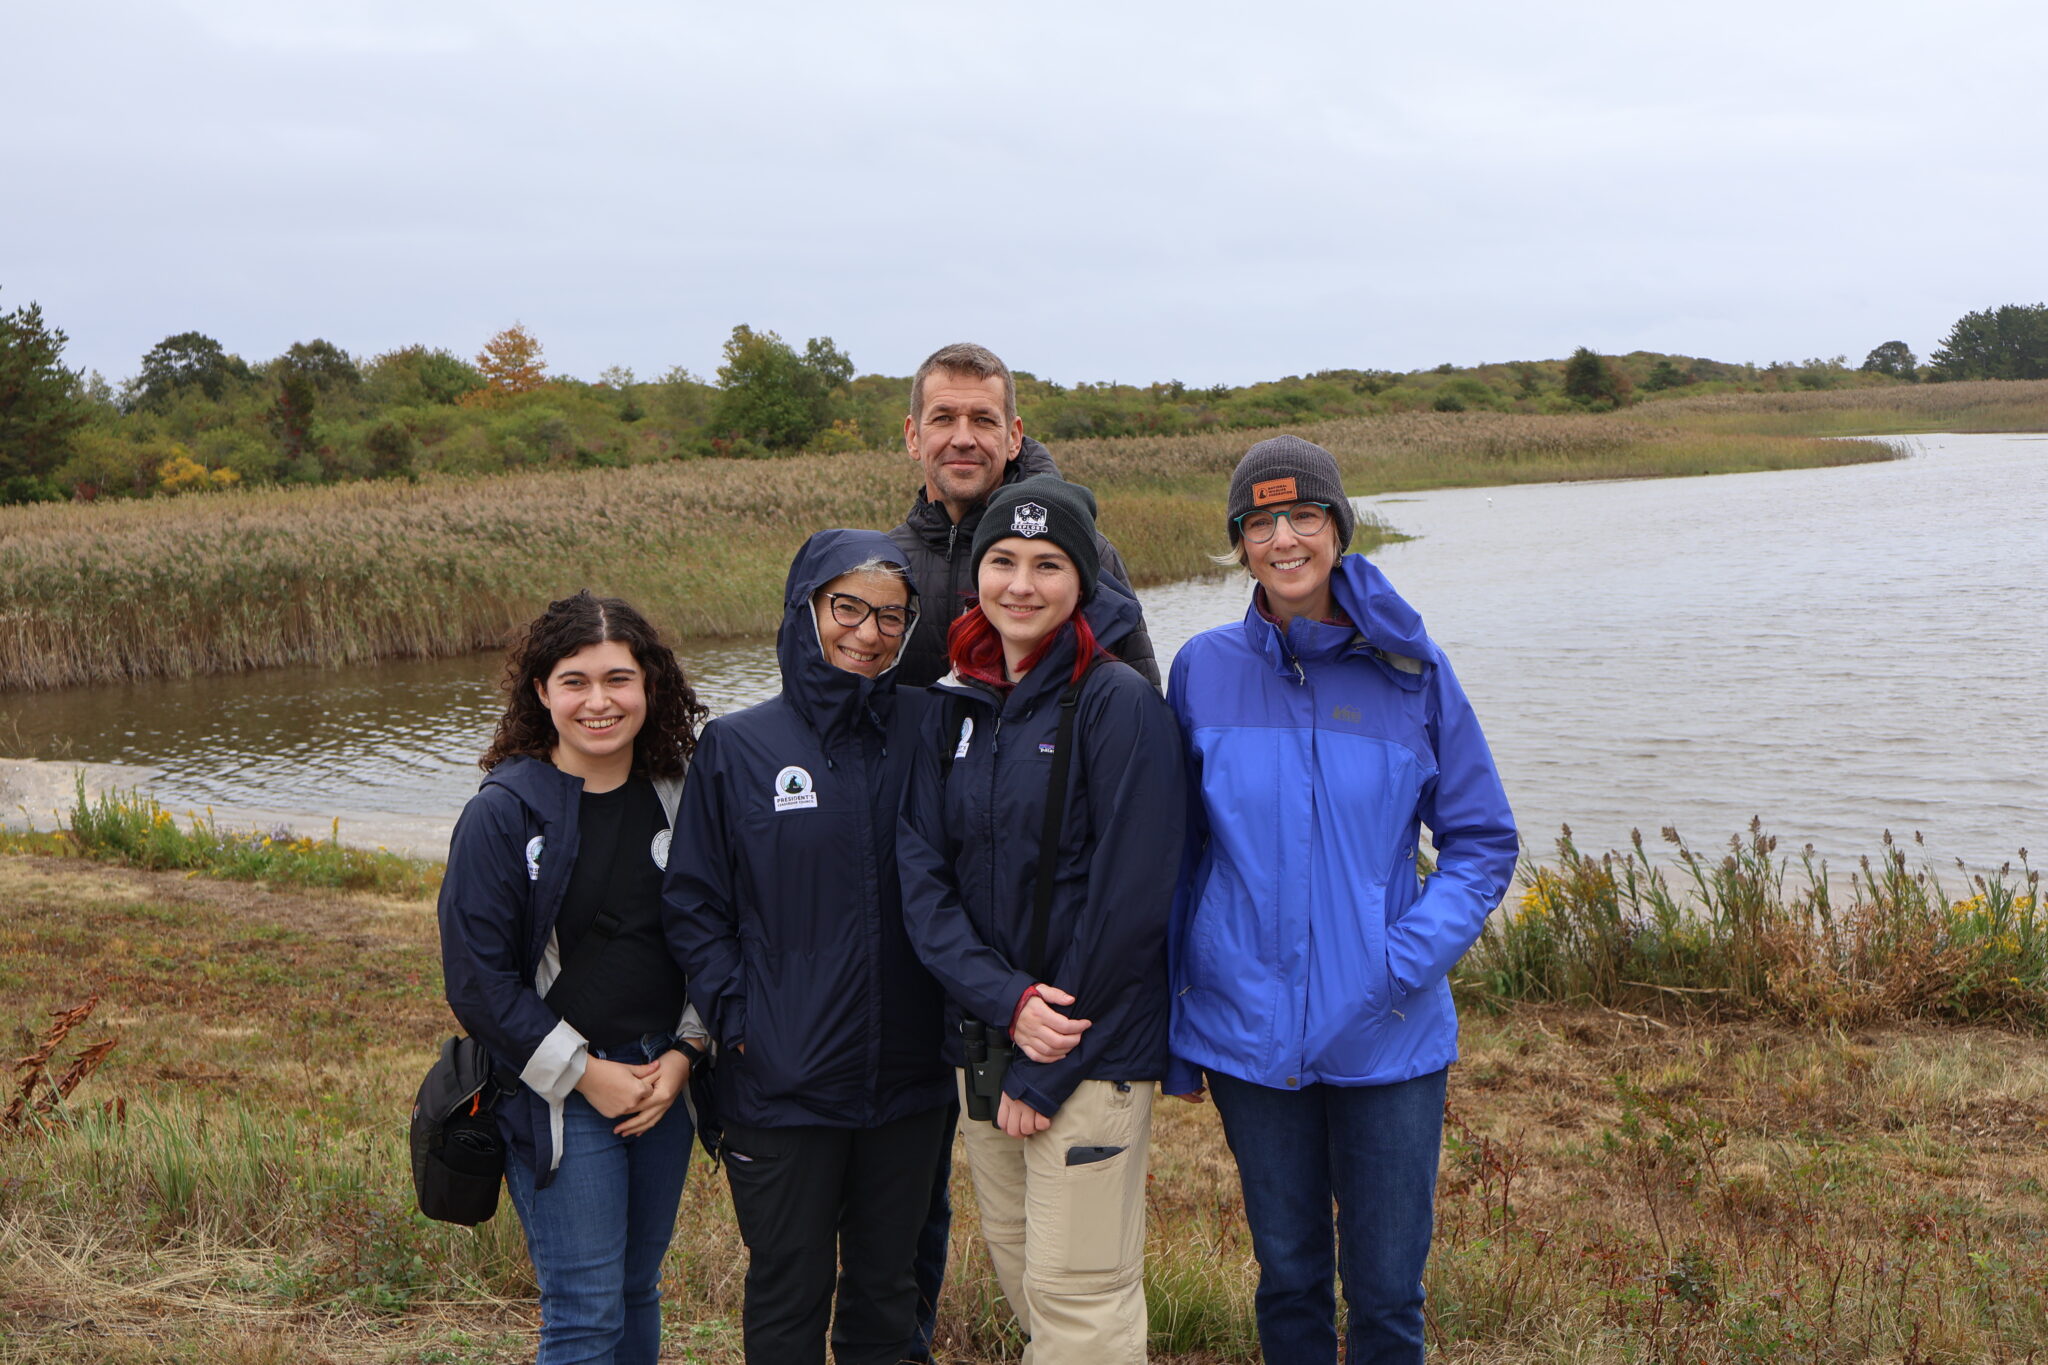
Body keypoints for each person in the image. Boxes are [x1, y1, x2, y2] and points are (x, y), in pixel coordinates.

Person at [1163, 436, 1519, 1364]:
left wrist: (1399, 958)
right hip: (1249, 1034)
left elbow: (1482, 839)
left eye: (1303, 515)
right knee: (1288, 1281)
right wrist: (1180, 1013)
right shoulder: (1200, 670)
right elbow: (1178, 852)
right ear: (1238, 542)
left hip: (1387, 1032)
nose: (1284, 538)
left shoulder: (1412, 672)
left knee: (1389, 1296)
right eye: (1260, 521)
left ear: (1336, 528)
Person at [887, 343, 1158, 1361]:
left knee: (1076, 1293)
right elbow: (922, 857)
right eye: (1002, 563)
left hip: (1079, 1027)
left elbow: (1133, 873)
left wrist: (1051, 1029)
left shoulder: (1113, 695)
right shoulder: (953, 693)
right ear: (913, 435)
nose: (1020, 582)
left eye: (1047, 566)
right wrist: (993, 999)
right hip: (976, 1013)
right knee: (1018, 1269)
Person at [664, 530, 953, 1365]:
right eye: (848, 608)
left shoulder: (933, 724)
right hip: (780, 1083)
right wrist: (742, 1019)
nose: (869, 633)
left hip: (909, 1083)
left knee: (887, 1296)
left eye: (891, 616)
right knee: (788, 1296)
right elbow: (693, 902)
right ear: (807, 611)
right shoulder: (739, 746)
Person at [438, 590, 713, 1365]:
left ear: (650, 685)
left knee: (636, 1288)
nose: (600, 701)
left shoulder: (683, 796)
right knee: (587, 1311)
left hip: (666, 1076)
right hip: (561, 1089)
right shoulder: (502, 814)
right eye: (576, 681)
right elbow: (478, 983)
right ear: (541, 692)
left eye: (619, 678)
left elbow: (719, 939)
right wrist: (587, 1073)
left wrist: (686, 1053)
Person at [887, 341, 1158, 688]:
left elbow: (1137, 702)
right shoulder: (886, 562)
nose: (964, 438)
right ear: (913, 436)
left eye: (984, 420)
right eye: (944, 418)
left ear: (1014, 436)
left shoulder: (1085, 552)